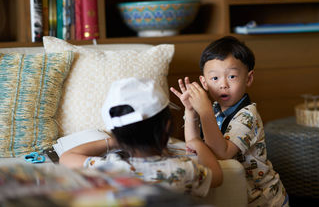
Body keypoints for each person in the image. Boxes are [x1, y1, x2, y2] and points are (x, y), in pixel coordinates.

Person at [170, 36, 288, 207]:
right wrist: (190, 110)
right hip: (234, 190)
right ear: (204, 82)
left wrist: (205, 111)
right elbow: (192, 142)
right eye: (215, 78)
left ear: (248, 78)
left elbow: (223, 154)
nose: (223, 84)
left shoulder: (248, 114)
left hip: (263, 198)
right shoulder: (214, 108)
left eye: (232, 76)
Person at [60, 77, 222, 197]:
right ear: (166, 126)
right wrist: (196, 142)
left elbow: (67, 157)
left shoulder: (109, 169)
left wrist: (116, 141)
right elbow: (216, 176)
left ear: (117, 133)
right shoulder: (183, 170)